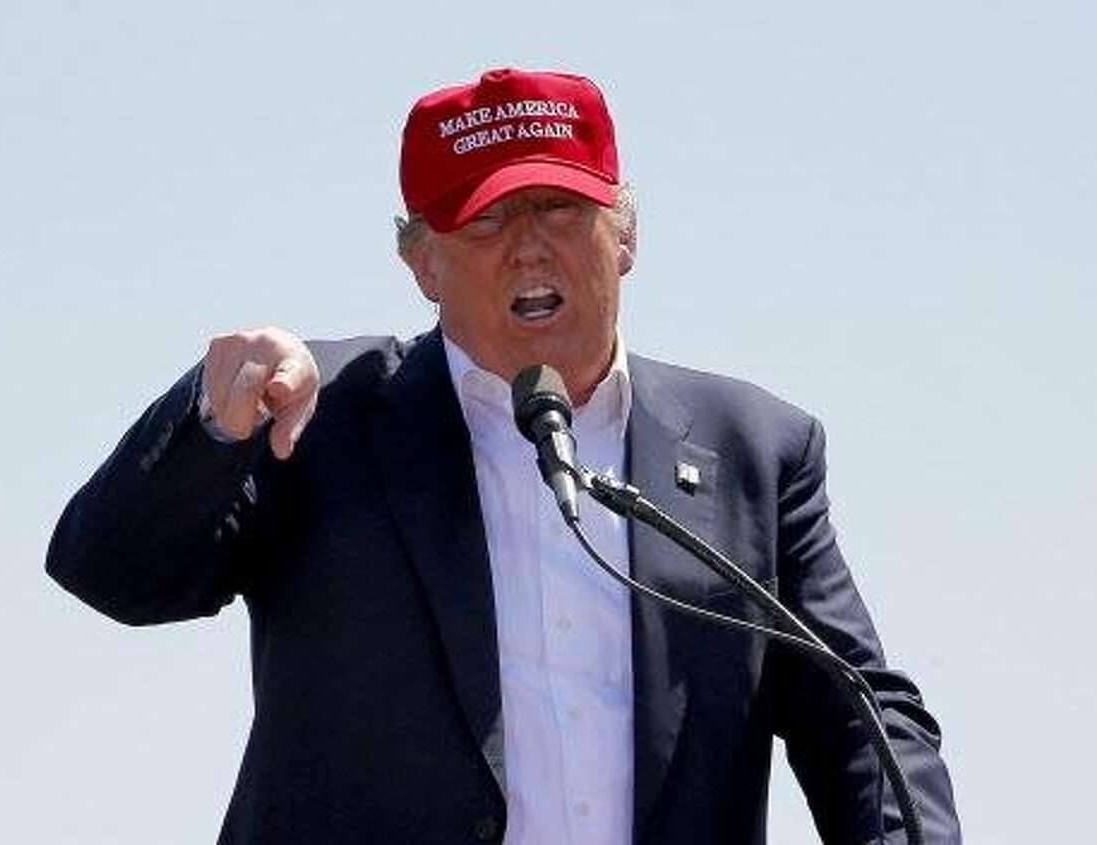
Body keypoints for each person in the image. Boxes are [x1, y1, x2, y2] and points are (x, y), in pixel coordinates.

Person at [47, 68, 961, 844]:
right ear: (423, 264)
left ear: (627, 233)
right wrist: (212, 419)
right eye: (485, 222)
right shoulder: (321, 416)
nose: (529, 245)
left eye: (561, 208)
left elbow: (864, 716)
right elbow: (112, 573)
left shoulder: (753, 449)